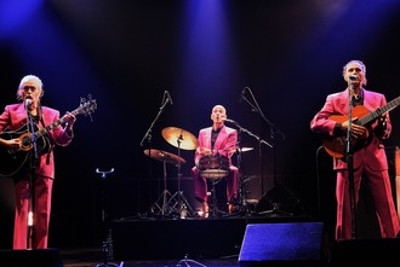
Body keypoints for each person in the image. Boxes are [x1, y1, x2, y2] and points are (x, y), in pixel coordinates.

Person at [310, 60, 400, 240]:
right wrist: (342, 125)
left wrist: (383, 125)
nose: (355, 73)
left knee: (387, 208)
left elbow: (386, 131)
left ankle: (393, 249)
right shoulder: (334, 99)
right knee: (344, 210)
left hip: (375, 155)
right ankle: (344, 250)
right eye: (351, 70)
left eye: (358, 70)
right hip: (346, 155)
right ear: (345, 76)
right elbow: (315, 123)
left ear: (364, 75)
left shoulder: (379, 98)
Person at [0, 75, 76, 249]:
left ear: (39, 93)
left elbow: (61, 139)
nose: (29, 91)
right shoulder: (11, 110)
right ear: (20, 92)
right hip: (20, 165)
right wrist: (7, 142)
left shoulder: (51, 114)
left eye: (32, 88)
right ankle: (19, 253)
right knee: (21, 211)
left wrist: (69, 126)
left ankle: (41, 254)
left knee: (43, 213)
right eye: (25, 88)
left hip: (44, 166)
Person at [192, 105, 239, 218]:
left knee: (234, 170)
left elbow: (228, 151)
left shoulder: (232, 132)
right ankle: (204, 203)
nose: (218, 113)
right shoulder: (203, 132)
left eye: (221, 112)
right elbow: (198, 150)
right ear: (211, 116)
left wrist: (211, 153)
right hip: (206, 164)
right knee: (194, 170)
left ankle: (232, 203)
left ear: (225, 116)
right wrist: (198, 161)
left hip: (223, 163)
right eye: (215, 111)